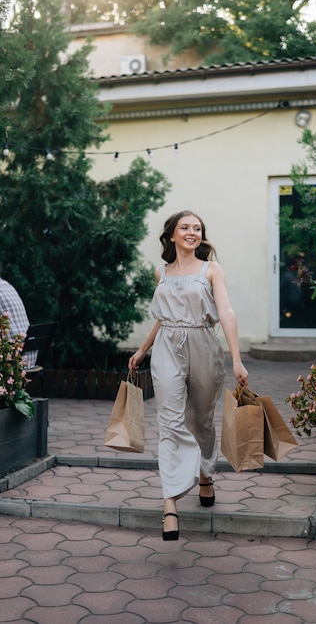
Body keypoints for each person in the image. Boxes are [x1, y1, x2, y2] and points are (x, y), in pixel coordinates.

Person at [128, 211, 248, 541]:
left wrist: (236, 359)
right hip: (167, 347)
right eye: (185, 227)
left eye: (197, 228)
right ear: (171, 236)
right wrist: (143, 349)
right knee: (169, 422)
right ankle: (170, 503)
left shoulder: (212, 270)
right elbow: (164, 315)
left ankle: (205, 474)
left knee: (202, 420)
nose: (192, 232)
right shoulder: (161, 272)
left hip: (203, 345)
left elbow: (225, 311)